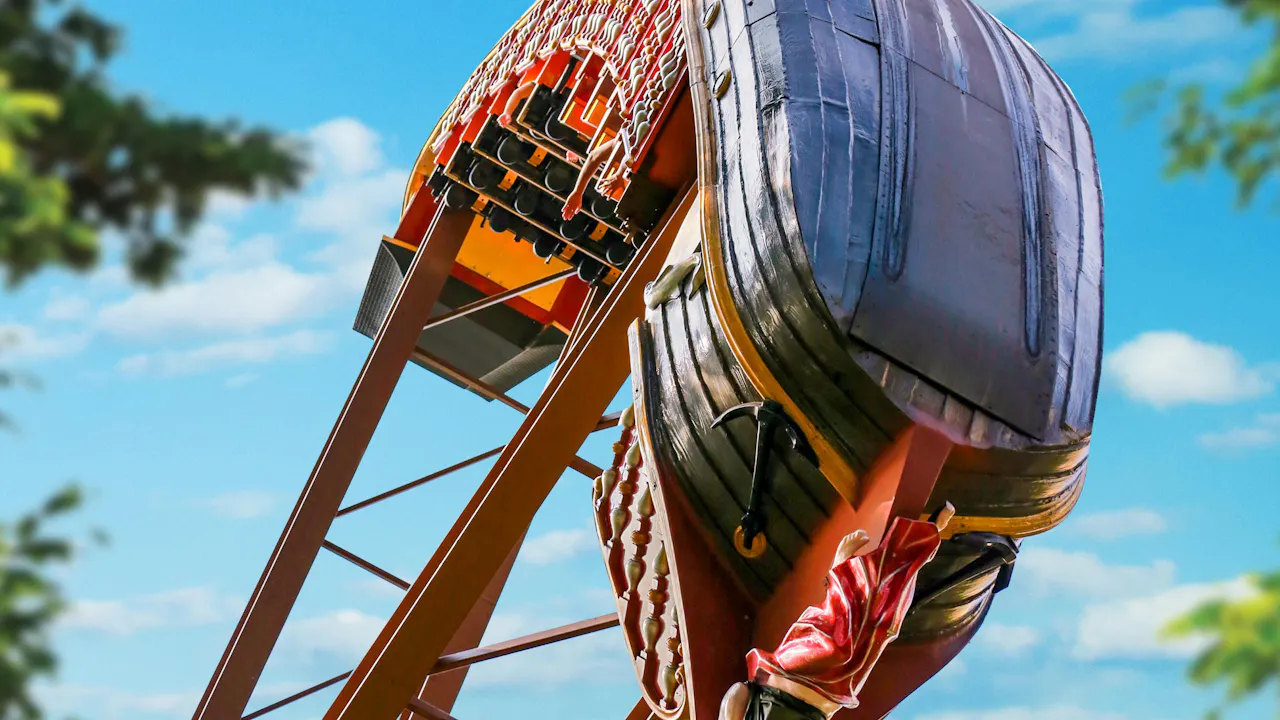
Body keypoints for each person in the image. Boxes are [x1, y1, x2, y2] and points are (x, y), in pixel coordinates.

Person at [719, 504, 956, 720]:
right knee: (878, 628)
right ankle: (924, 538)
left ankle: (841, 571)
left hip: (789, 675)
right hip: (829, 696)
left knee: (837, 644)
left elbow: (737, 693)